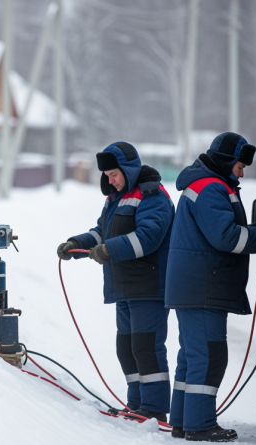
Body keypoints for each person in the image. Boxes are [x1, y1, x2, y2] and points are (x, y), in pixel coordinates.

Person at [165, 132, 256, 442]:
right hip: (205, 285)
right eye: (239, 166)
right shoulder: (211, 188)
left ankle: (183, 421)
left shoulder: (204, 184)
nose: (242, 172)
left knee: (192, 357)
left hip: (194, 285)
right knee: (209, 355)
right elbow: (226, 237)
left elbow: (225, 229)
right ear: (226, 161)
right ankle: (200, 424)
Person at [57, 141, 175, 421]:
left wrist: (110, 250)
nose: (109, 180)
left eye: (114, 174)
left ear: (129, 169)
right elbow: (102, 232)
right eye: (107, 175)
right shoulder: (115, 198)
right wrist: (77, 244)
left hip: (148, 286)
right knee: (127, 349)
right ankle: (137, 405)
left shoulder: (152, 196)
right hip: (124, 287)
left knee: (147, 348)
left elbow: (148, 237)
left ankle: (155, 409)